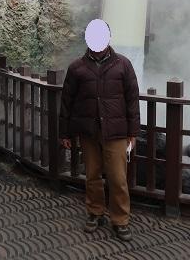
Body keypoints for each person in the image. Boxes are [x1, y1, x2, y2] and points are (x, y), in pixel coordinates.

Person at [59, 19, 141, 242]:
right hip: (88, 131)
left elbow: (132, 100)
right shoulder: (77, 67)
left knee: (118, 177)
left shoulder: (123, 64)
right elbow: (67, 102)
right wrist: (65, 133)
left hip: (116, 131)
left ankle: (120, 220)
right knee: (92, 175)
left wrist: (133, 132)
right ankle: (95, 212)